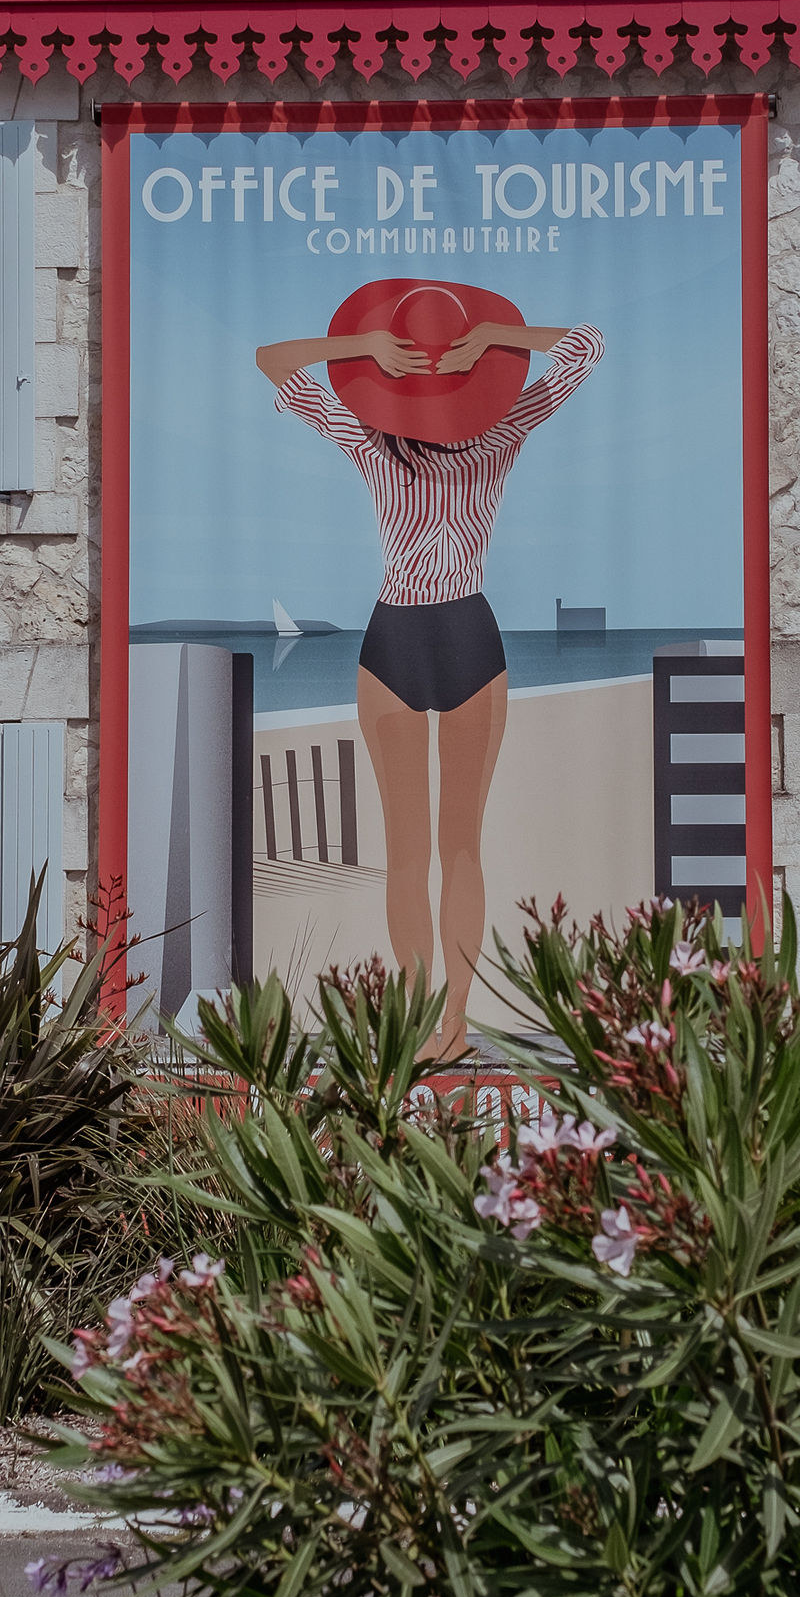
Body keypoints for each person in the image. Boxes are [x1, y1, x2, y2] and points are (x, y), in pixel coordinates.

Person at [255, 306, 603, 1055]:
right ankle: (421, 1025)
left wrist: (500, 337)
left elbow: (587, 346)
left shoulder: (488, 432)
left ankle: (454, 1023)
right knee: (412, 852)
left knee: (458, 850)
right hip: (406, 639)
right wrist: (364, 345)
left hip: (454, 634)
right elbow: (272, 357)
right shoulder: (381, 439)